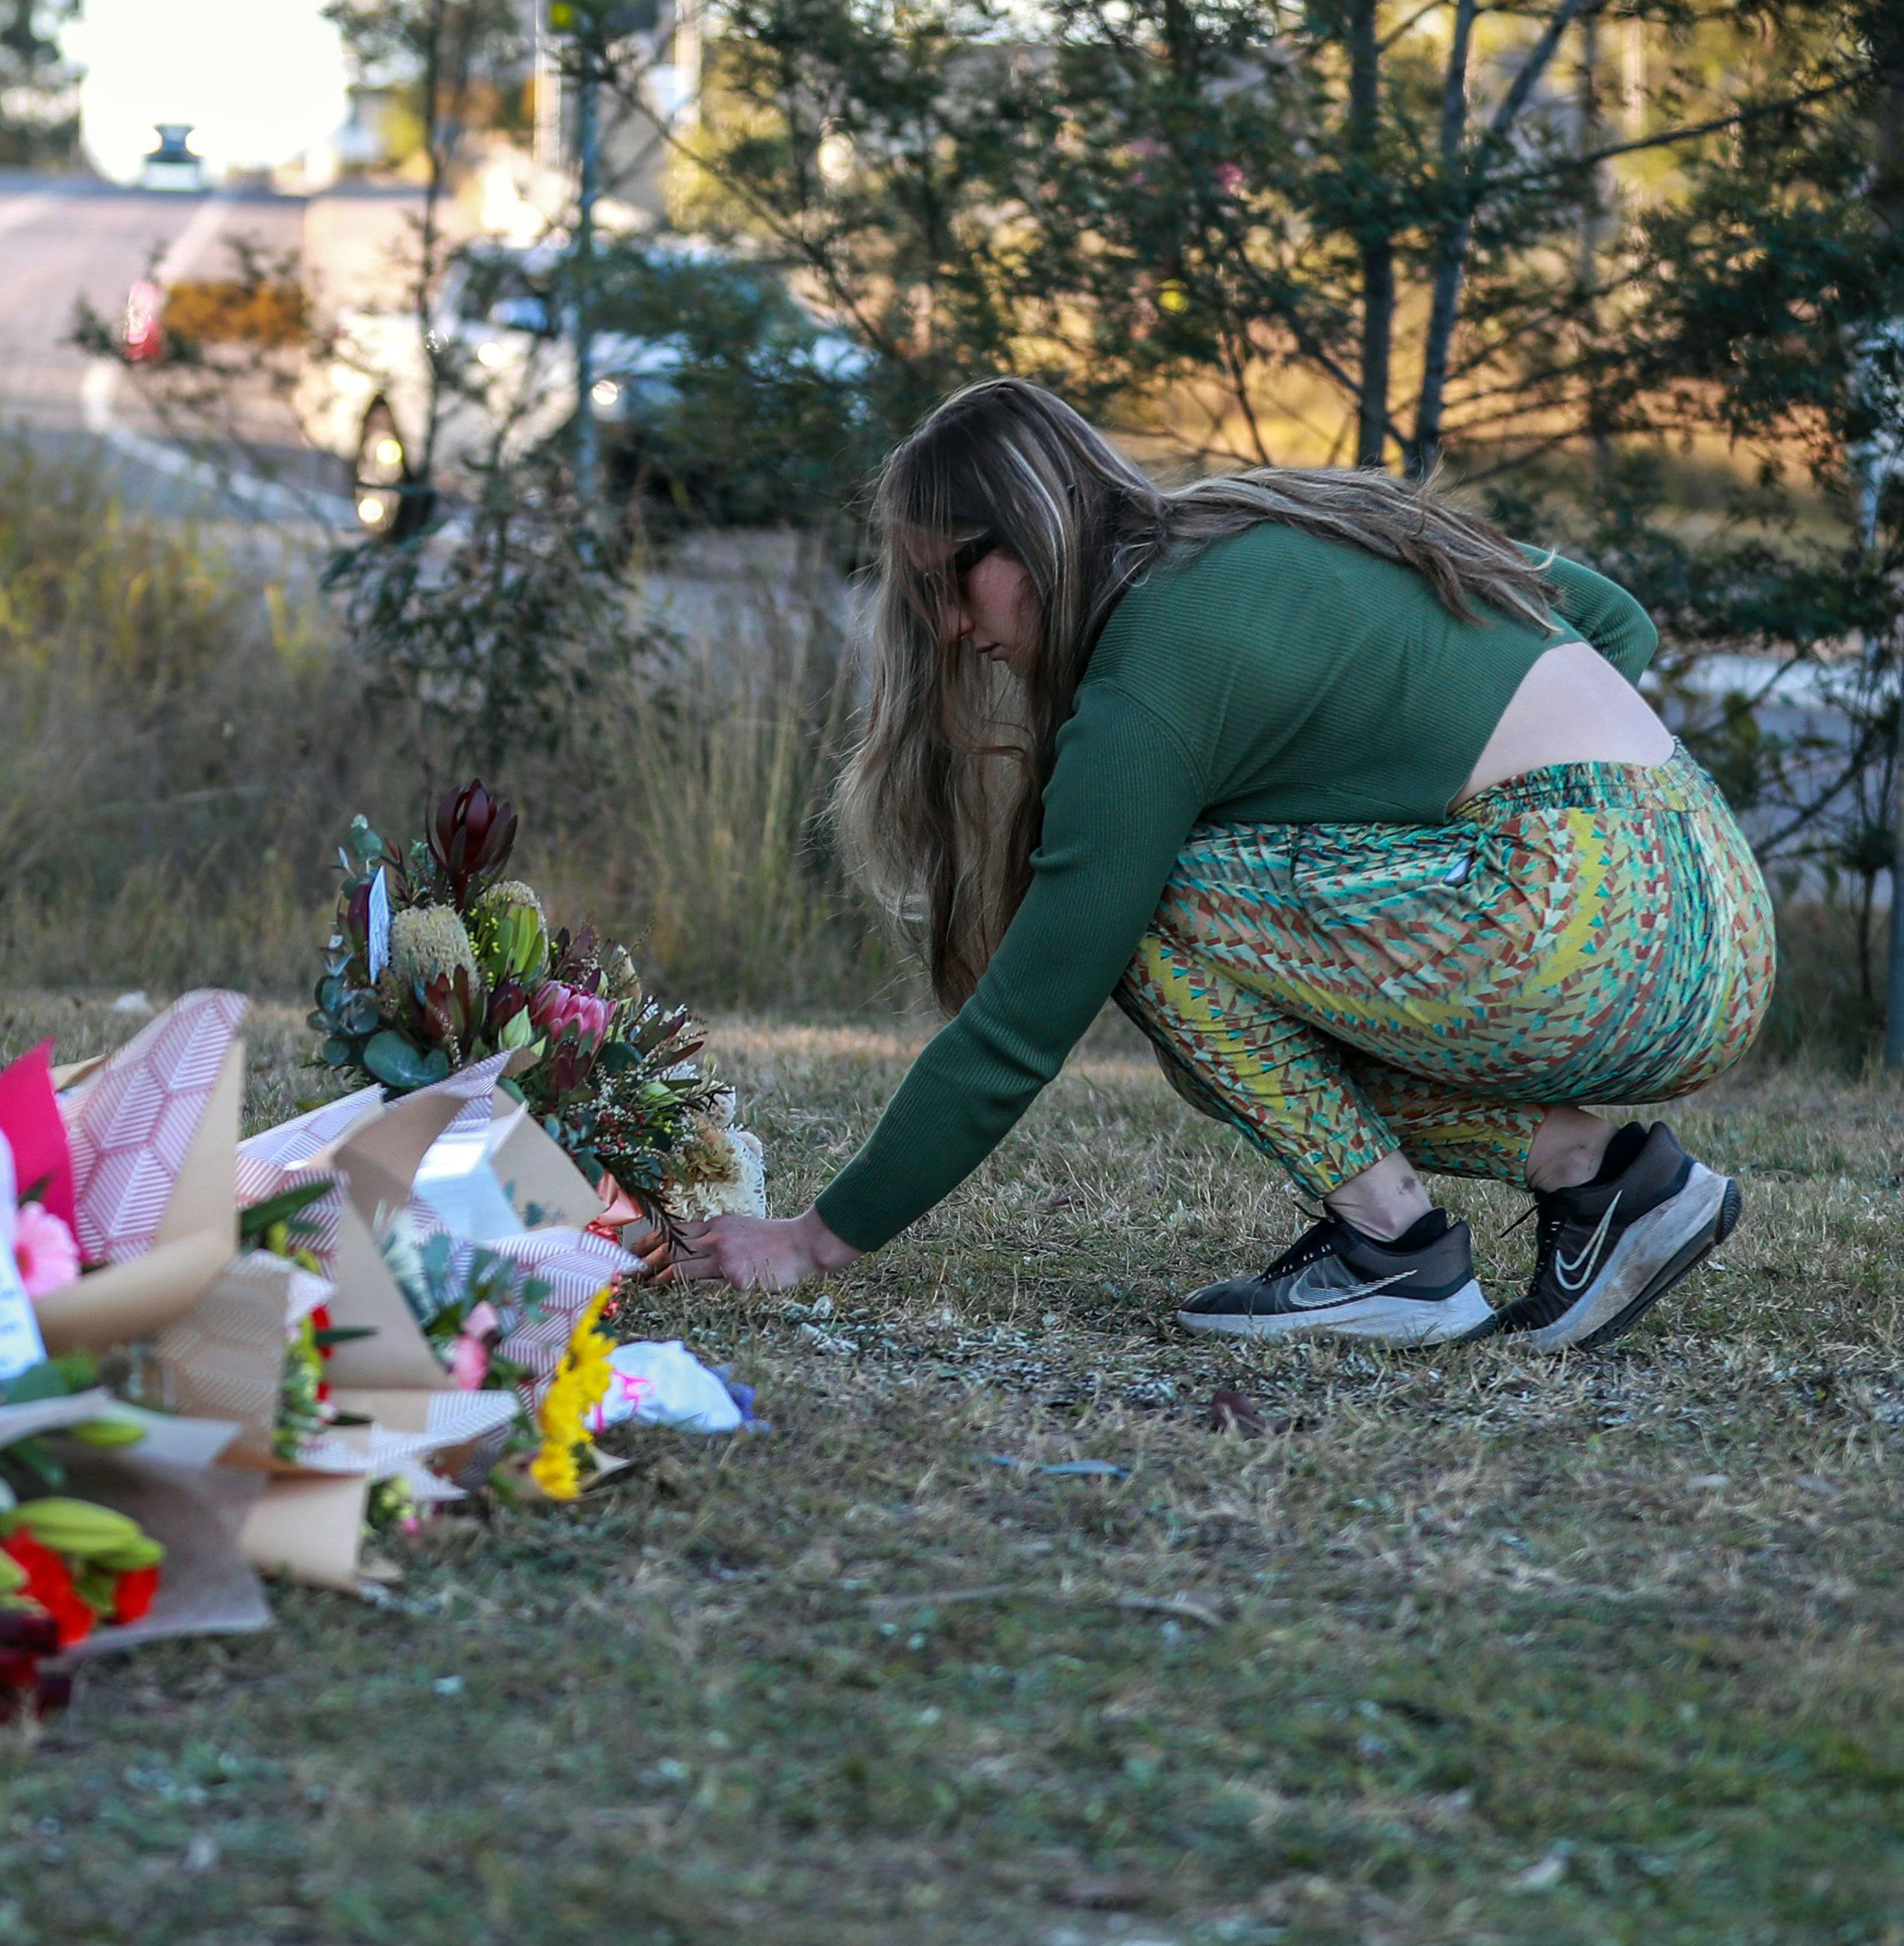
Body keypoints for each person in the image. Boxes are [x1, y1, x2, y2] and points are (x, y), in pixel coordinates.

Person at [655, 380, 1774, 1349]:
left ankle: (1394, 1249)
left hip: (1579, 918)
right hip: (1719, 907)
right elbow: (1612, 621)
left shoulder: (1151, 663)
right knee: (1224, 1041)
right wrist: (1414, 800)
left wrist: (812, 1241)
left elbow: (1024, 1022)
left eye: (952, 582)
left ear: (1033, 528)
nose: (950, 627)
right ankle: (1603, 1176)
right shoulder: (1275, 516)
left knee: (1150, 909)